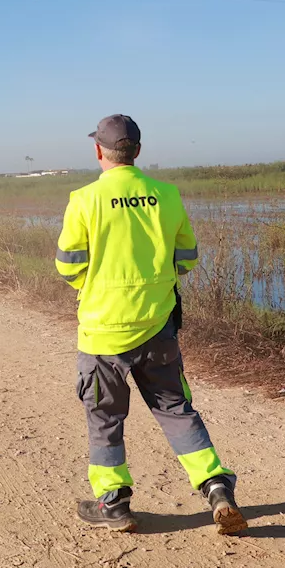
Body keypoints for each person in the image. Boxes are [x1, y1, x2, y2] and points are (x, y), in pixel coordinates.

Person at [55, 114, 245, 535]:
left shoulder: (84, 199)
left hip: (103, 333)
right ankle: (215, 486)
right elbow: (187, 258)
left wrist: (96, 286)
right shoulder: (167, 195)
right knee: (176, 409)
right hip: (158, 327)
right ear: (138, 151)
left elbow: (68, 265)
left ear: (98, 150)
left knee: (105, 417)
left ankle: (114, 503)